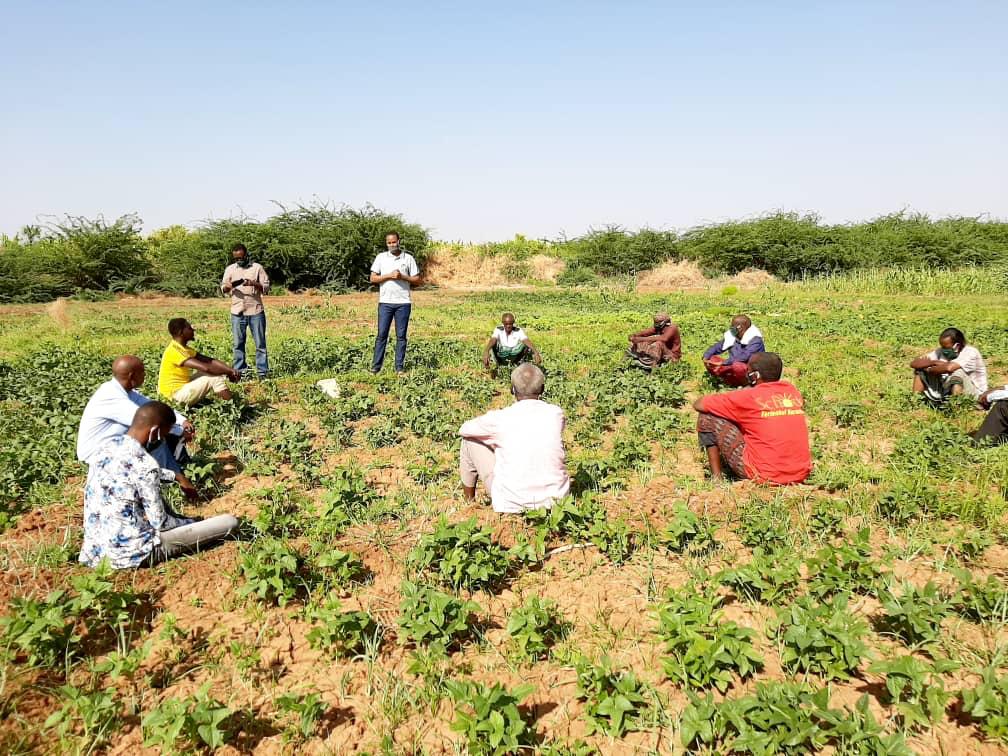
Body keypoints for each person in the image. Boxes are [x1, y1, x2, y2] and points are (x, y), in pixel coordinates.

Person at [79, 401, 239, 569]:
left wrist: (176, 476)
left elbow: (131, 472)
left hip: (95, 552)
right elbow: (161, 524)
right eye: (164, 434)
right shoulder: (146, 465)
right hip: (132, 554)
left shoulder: (105, 447)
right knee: (229, 522)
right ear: (154, 432)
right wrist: (192, 522)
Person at [78, 356, 199, 500]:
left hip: (114, 445)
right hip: (98, 454)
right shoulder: (111, 397)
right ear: (131, 376)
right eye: (142, 372)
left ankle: (177, 473)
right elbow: (148, 421)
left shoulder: (125, 391)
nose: (145, 375)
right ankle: (173, 483)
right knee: (156, 439)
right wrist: (179, 431)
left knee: (160, 435)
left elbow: (152, 406)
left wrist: (182, 420)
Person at [458, 363, 570, 513]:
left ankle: (469, 503)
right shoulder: (556, 413)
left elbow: (464, 429)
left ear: (512, 390)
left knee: (469, 440)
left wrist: (492, 441)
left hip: (511, 504)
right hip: (557, 504)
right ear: (542, 389)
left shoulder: (501, 418)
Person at [692, 352, 812, 484]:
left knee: (708, 415)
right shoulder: (791, 391)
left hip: (763, 474)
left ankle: (716, 479)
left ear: (755, 376)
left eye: (747, 370)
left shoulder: (748, 397)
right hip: (800, 473)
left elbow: (699, 404)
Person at [370, 232, 421, 375]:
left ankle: (399, 368)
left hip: (403, 303)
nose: (392, 245)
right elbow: (373, 278)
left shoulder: (408, 258)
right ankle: (376, 367)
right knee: (381, 335)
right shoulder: (381, 258)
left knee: (401, 336)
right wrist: (388, 276)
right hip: (385, 302)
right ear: (386, 243)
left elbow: (417, 280)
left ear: (399, 241)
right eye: (389, 243)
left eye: (394, 242)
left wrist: (402, 276)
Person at [158, 318, 240, 405]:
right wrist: (228, 372)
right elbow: (206, 368)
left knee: (212, 373)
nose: (193, 330)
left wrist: (230, 370)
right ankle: (234, 407)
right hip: (172, 397)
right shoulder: (174, 351)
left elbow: (209, 361)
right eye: (189, 328)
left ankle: (230, 403)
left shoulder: (183, 348)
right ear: (180, 332)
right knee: (214, 378)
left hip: (179, 389)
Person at [221, 243, 270, 379]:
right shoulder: (230, 269)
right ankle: (240, 373)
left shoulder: (257, 268)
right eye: (236, 259)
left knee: (260, 344)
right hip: (237, 312)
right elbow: (223, 287)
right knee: (238, 344)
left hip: (255, 311)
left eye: (241, 258)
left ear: (246, 255)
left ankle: (262, 373)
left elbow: (266, 287)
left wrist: (253, 283)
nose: (239, 261)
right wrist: (228, 287)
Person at [911, 327, 988, 404]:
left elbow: (949, 368)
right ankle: (916, 402)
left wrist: (929, 369)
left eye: (945, 347)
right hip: (947, 387)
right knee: (920, 370)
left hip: (974, 394)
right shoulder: (940, 351)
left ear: (957, 346)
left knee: (957, 372)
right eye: (942, 347)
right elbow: (914, 363)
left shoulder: (970, 352)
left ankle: (955, 407)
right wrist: (933, 362)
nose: (943, 350)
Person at [703, 315, 765, 387]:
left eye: (733, 326)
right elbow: (718, 346)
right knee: (712, 359)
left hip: (750, 370)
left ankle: (747, 385)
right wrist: (706, 356)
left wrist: (723, 363)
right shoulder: (733, 336)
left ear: (740, 328)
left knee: (737, 366)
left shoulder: (755, 340)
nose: (731, 328)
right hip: (732, 365)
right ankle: (728, 381)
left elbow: (744, 357)